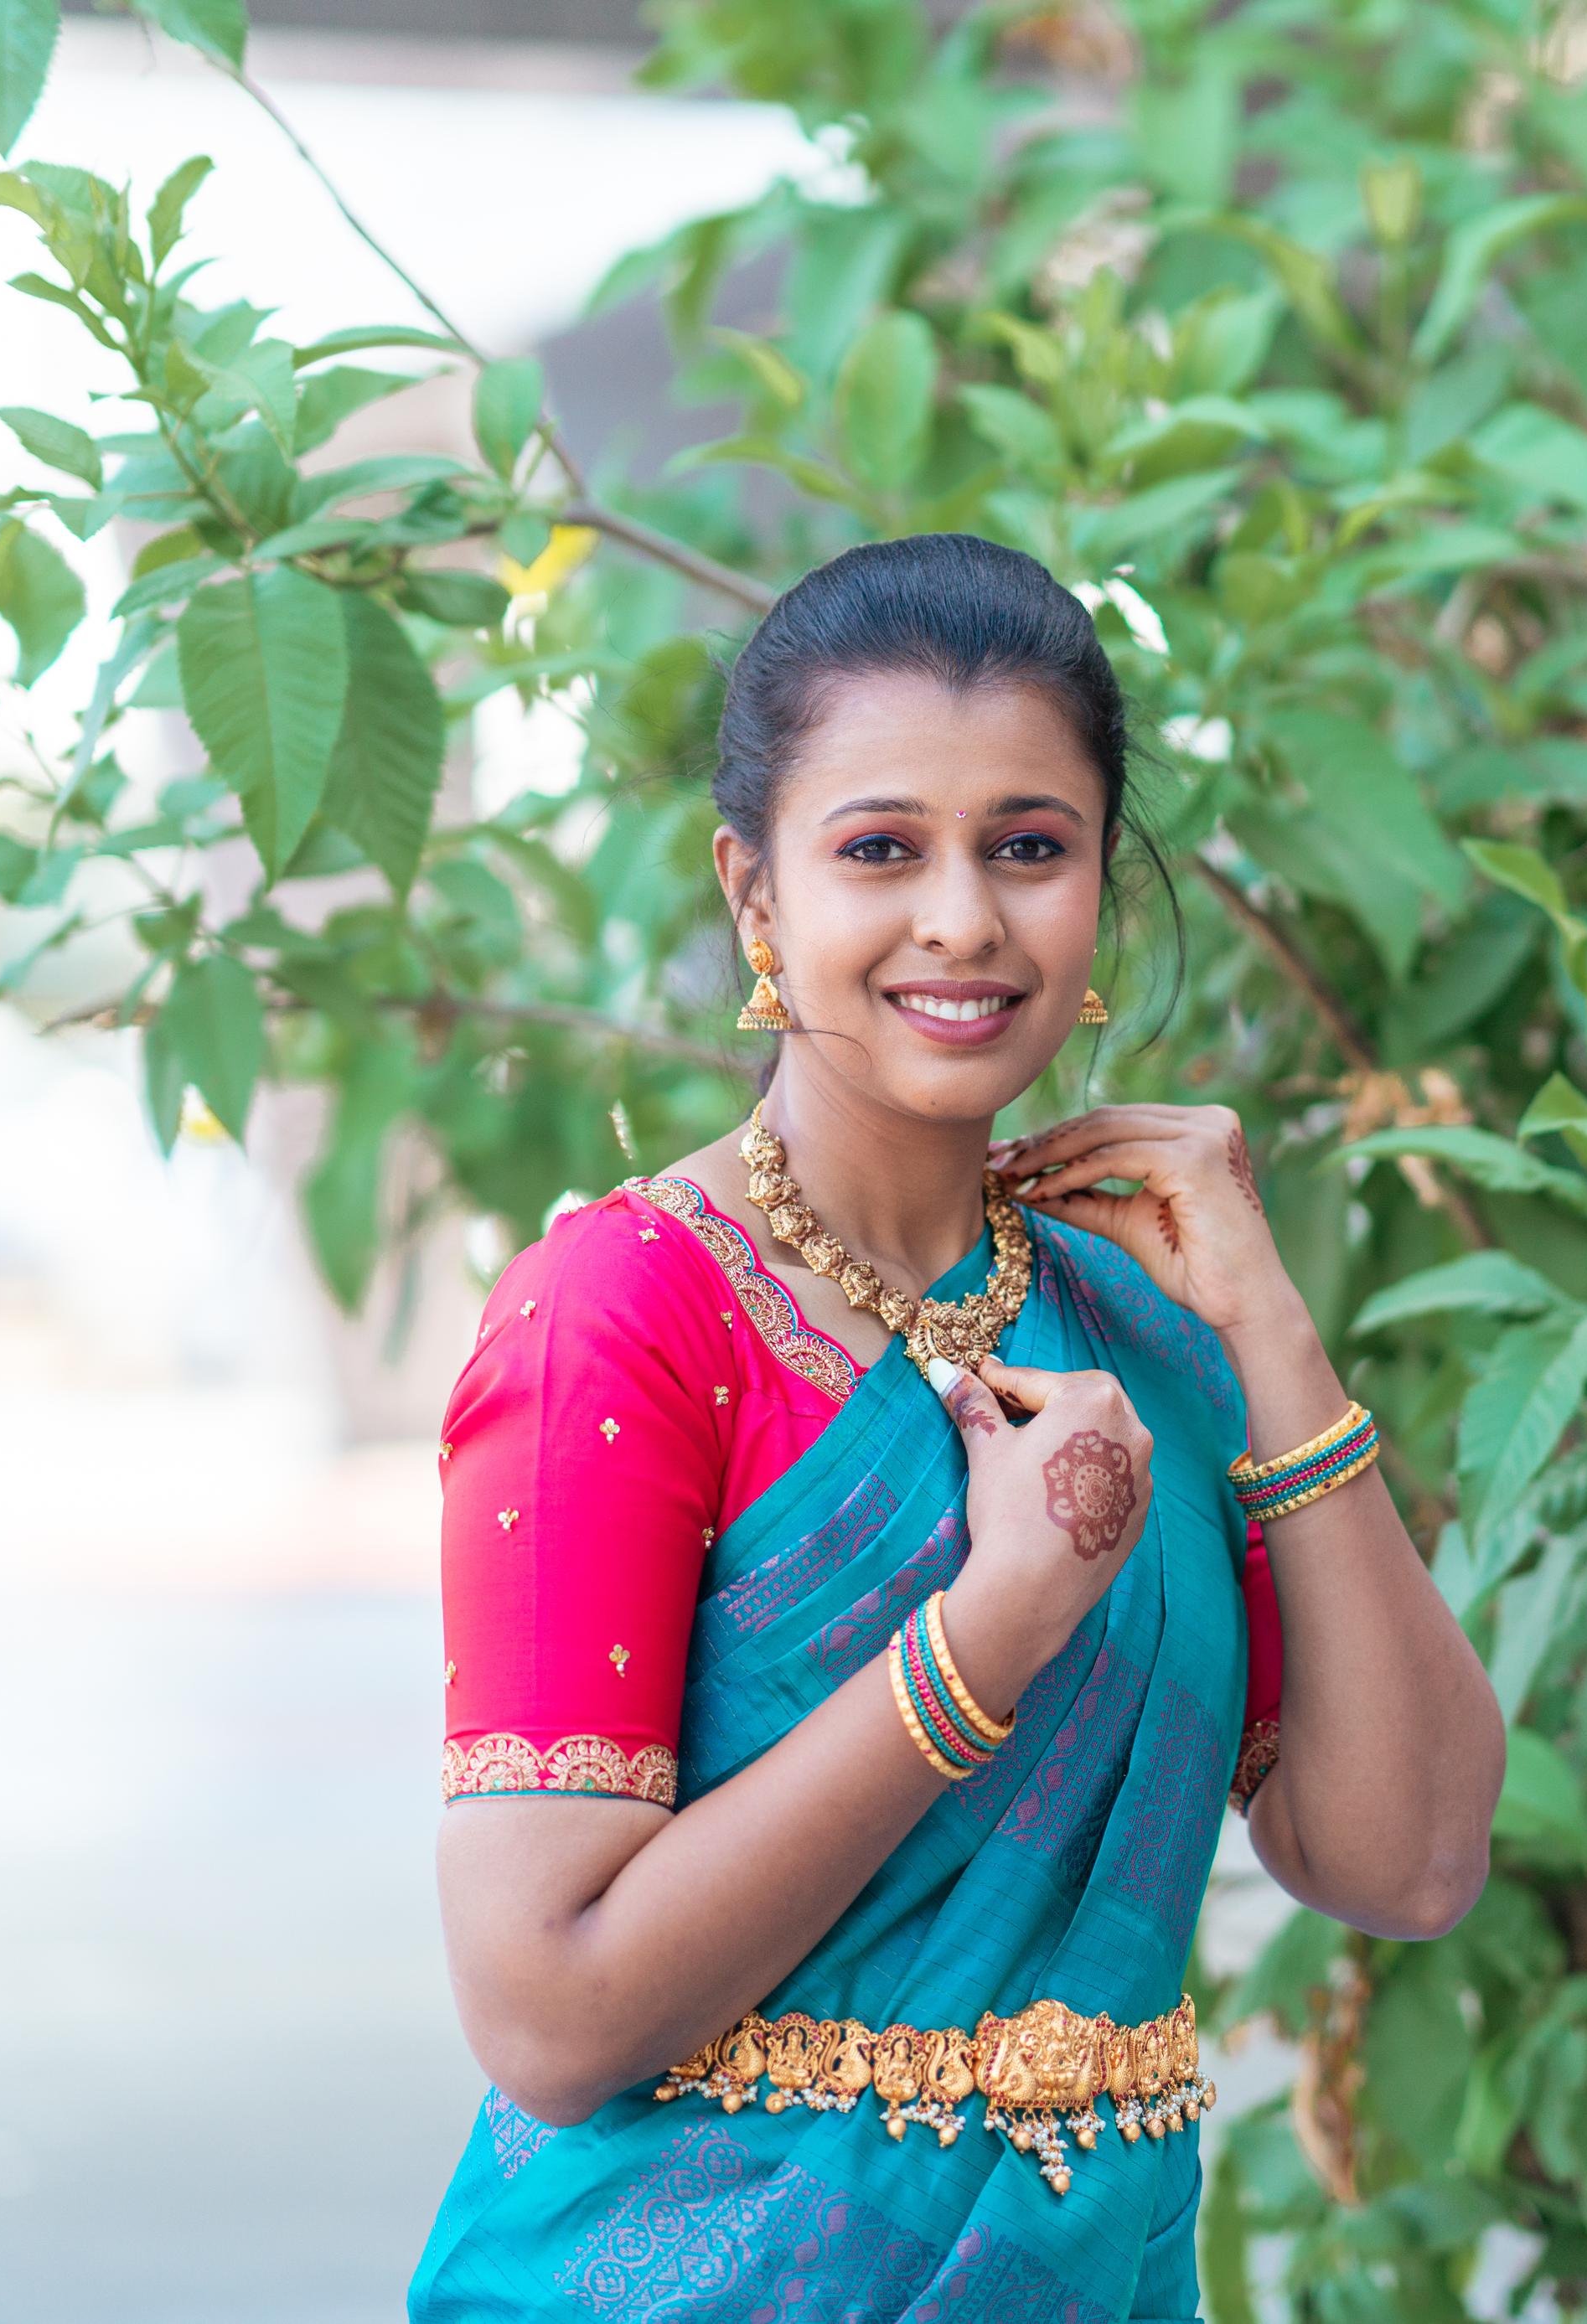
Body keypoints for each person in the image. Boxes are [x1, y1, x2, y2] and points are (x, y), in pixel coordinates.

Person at [409, 533, 1507, 2321]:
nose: (963, 920)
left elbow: (1410, 1858)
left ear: (1099, 890)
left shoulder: (1150, 1327)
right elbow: (549, 2010)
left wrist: (1274, 1330)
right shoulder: (624, 1314)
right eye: (878, 850)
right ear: (755, 894)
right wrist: (989, 1631)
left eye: (1028, 846)